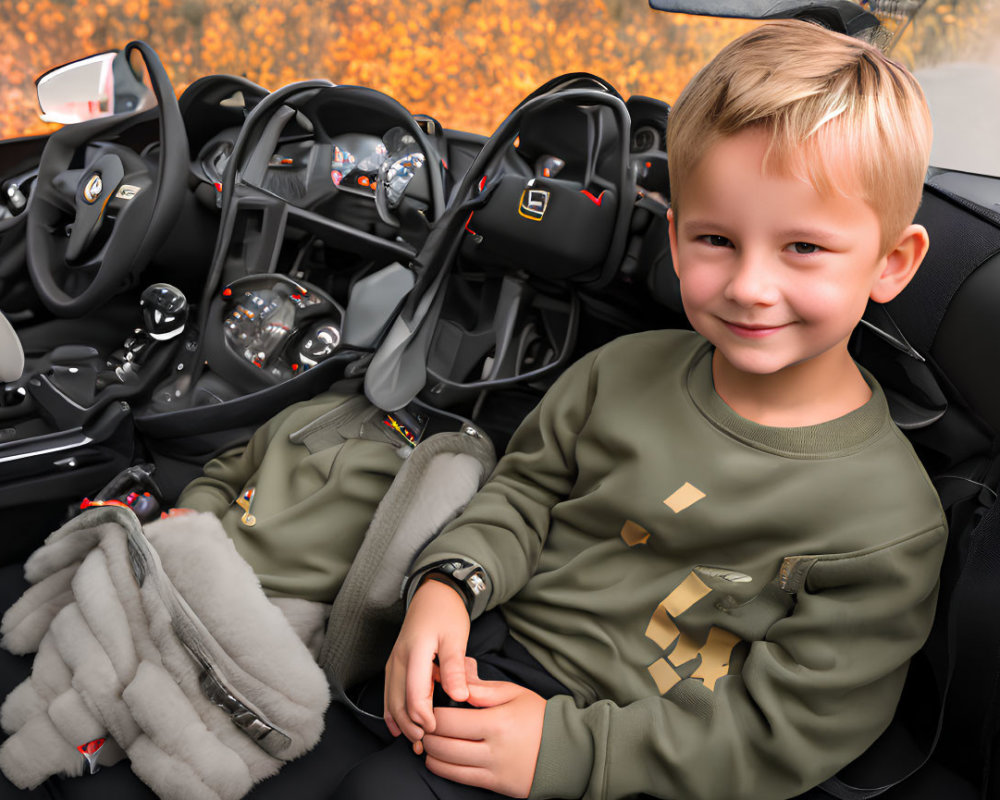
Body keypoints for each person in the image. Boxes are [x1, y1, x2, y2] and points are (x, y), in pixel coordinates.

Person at [334, 19, 948, 800]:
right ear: (675, 237)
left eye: (803, 249)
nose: (751, 285)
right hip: (491, 655)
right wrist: (450, 585)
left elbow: (780, 731)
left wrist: (572, 752)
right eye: (717, 239)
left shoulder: (889, 521)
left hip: (644, 756)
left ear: (892, 263)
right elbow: (523, 495)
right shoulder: (618, 375)